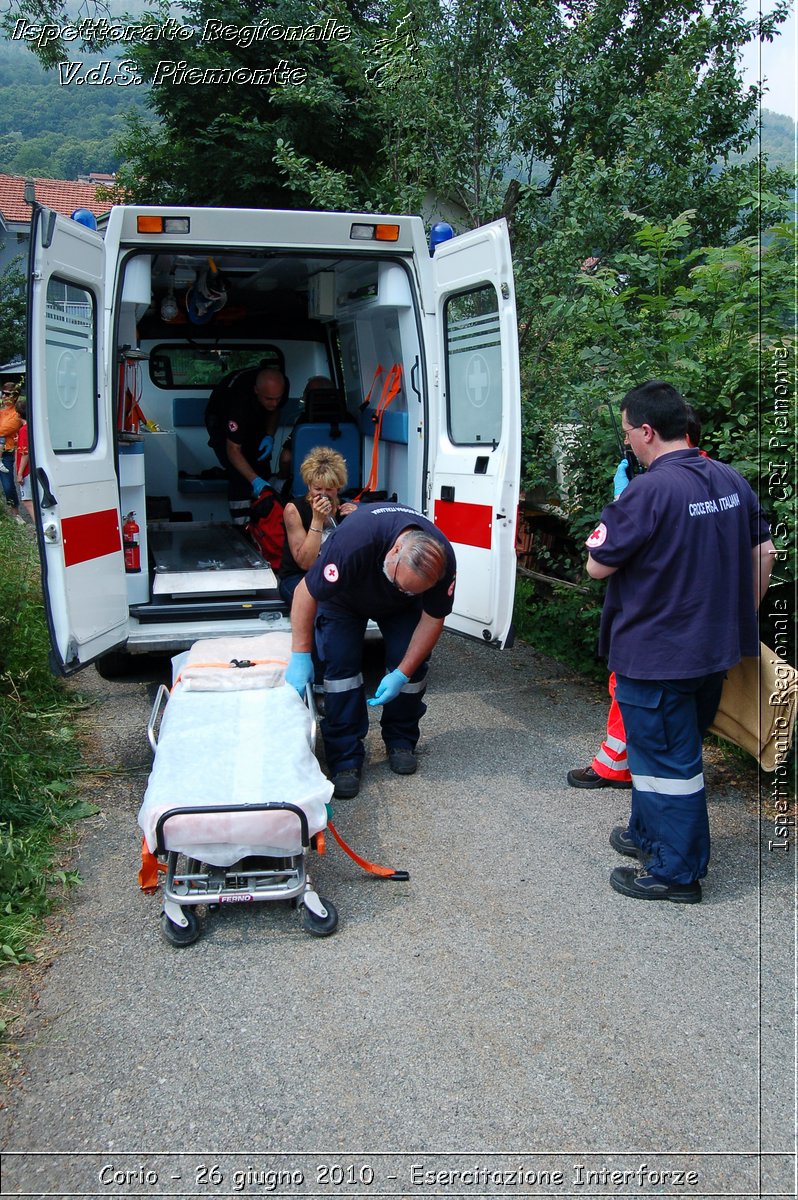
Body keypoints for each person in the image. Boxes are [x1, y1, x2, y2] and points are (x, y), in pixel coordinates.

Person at [585, 380, 775, 903]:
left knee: (670, 765)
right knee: (659, 752)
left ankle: (677, 873)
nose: (627, 444)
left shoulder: (647, 490)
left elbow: (597, 566)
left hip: (657, 655)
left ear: (647, 431)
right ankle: (646, 834)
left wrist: (620, 502)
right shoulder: (731, 479)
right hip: (713, 651)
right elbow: (765, 554)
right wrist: (739, 617)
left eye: (627, 434)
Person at [567, 405, 708, 792]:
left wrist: (623, 504)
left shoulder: (658, 487)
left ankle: (620, 771)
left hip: (656, 625)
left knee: (635, 696)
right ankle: (638, 768)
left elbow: (597, 564)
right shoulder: (716, 479)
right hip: (703, 625)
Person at [284, 503, 456, 799]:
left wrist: (402, 673)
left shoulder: (441, 561)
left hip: (400, 611)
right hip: (344, 599)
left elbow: (432, 619)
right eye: (400, 583)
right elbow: (305, 592)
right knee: (341, 671)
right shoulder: (355, 542)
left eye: (412, 590)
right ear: (394, 550)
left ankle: (401, 740)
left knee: (412, 669)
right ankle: (345, 758)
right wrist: (301, 654)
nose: (403, 590)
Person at [206, 366, 287, 525]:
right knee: (240, 475)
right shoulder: (237, 400)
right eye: (269, 399)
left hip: (254, 415)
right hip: (219, 420)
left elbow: (275, 410)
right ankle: (243, 527)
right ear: (256, 390)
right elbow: (233, 449)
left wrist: (269, 436)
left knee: (262, 468)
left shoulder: (280, 387)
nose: (274, 402)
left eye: (278, 398)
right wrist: (254, 480)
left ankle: (263, 524)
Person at [277, 446, 357, 606]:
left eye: (329, 489)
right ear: (309, 486)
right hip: (299, 576)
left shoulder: (345, 509)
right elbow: (305, 563)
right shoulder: (294, 510)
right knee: (324, 603)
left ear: (338, 487)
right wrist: (317, 520)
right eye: (317, 489)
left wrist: (358, 518)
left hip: (334, 574)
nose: (323, 494)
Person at [0, 384, 23, 520]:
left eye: (8, 394)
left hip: (6, 454)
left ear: (14, 397)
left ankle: (16, 514)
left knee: (8, 486)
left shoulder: (16, 414)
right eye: (3, 393)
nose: (4, 396)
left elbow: (3, 430)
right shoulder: (2, 411)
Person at [14, 397, 33, 523]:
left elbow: (25, 452)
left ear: (18, 414)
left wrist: (20, 473)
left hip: (26, 470)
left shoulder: (23, 430)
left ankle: (39, 528)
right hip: (31, 469)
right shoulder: (31, 427)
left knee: (27, 501)